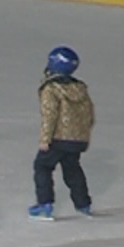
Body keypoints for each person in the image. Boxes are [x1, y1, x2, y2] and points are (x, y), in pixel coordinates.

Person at [28, 46, 95, 220]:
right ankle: (83, 204)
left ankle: (45, 204)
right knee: (72, 169)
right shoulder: (80, 88)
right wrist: (82, 134)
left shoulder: (51, 89)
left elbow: (49, 115)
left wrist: (45, 139)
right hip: (77, 139)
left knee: (42, 166)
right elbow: (89, 114)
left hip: (58, 138)